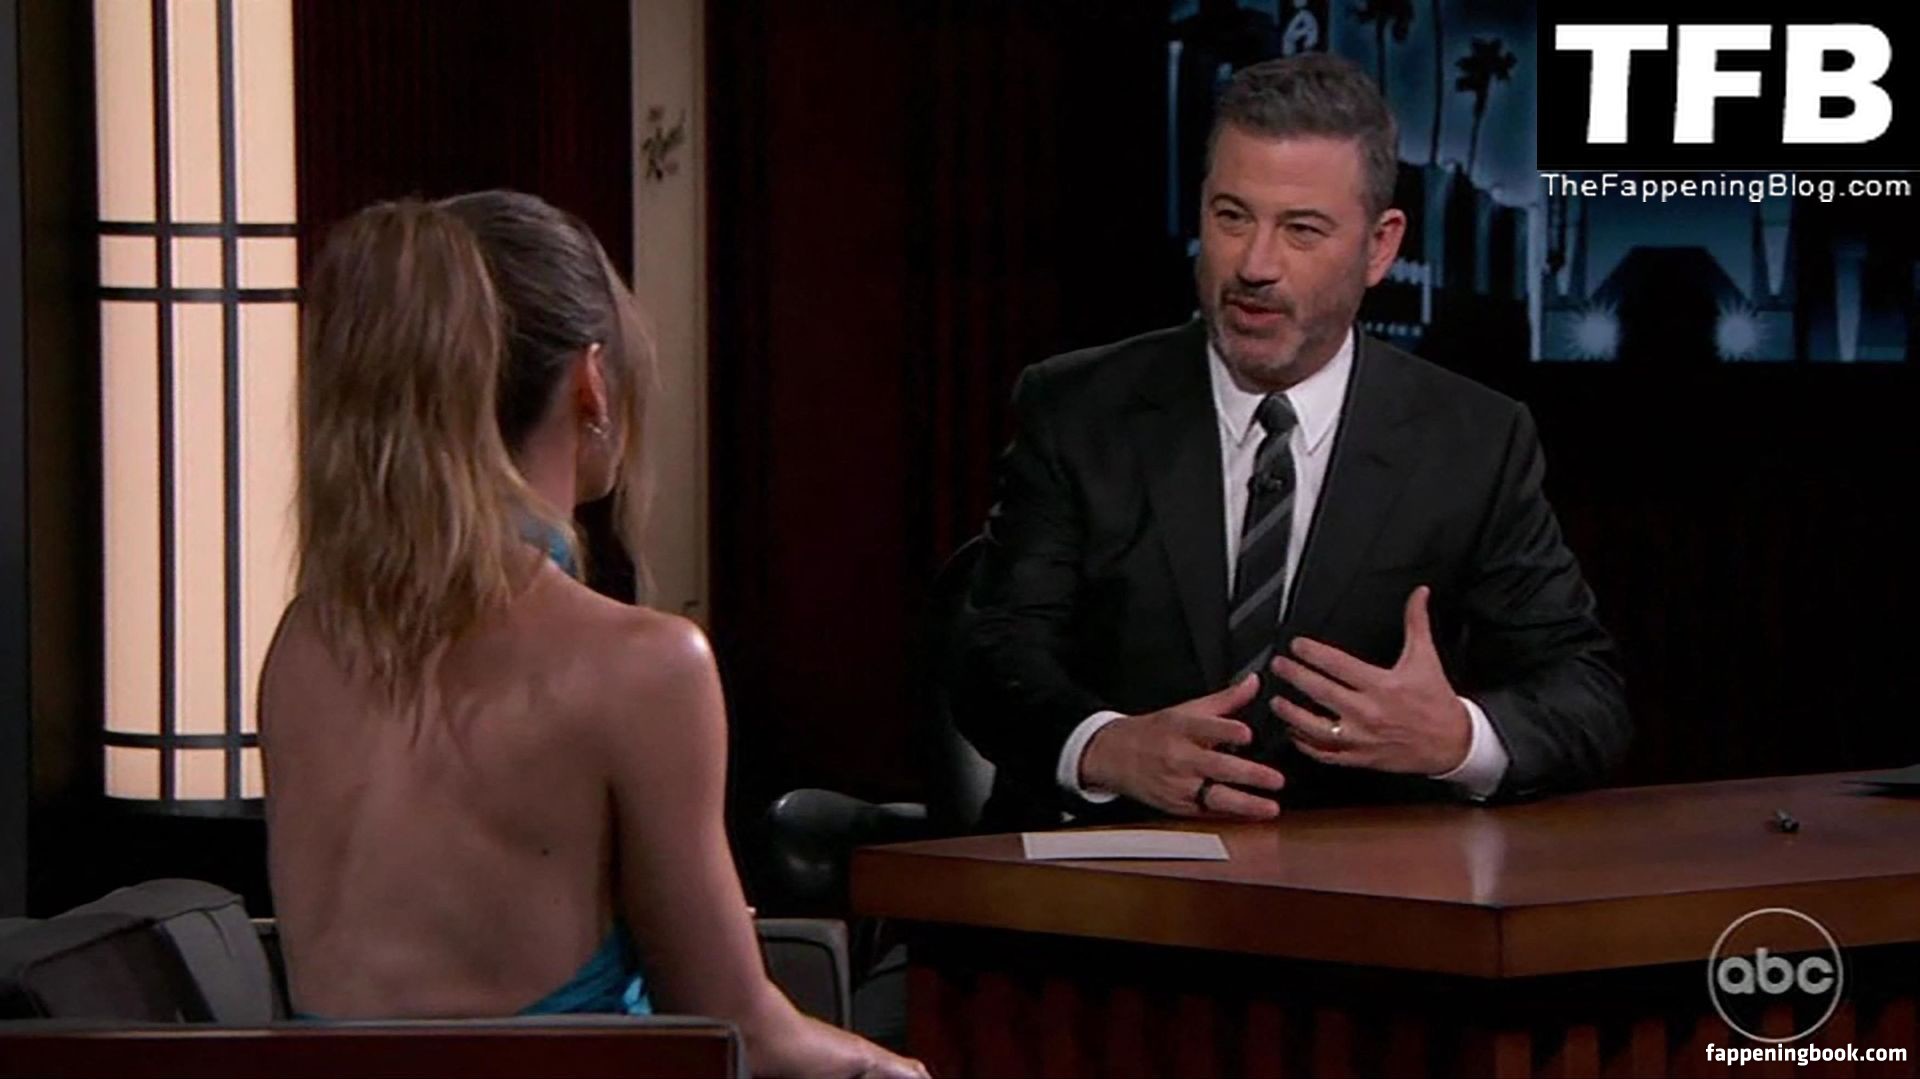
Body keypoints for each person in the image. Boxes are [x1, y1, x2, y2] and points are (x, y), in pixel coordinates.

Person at [261, 191, 924, 1079]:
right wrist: (893, 1067)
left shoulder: (306, 639)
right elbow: (743, 1030)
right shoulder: (643, 666)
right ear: (592, 381)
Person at [952, 54, 1630, 830]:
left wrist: (1456, 738)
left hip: (1361, 879)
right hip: (1116, 865)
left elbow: (1586, 693)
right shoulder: (1078, 409)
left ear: (1380, 247)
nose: (1255, 265)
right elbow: (991, 658)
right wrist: (1107, 748)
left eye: (1301, 230)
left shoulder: (1473, 440)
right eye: (1231, 217)